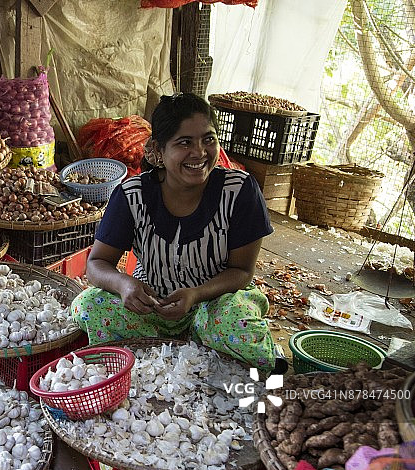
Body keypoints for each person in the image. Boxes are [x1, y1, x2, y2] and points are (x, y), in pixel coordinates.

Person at [71, 93, 280, 371]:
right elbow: (96, 264)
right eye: (184, 142)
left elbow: (242, 272)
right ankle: (171, 354)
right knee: (89, 305)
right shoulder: (133, 195)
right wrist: (124, 285)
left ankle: (245, 357)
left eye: (208, 139)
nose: (200, 152)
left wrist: (195, 294)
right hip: (153, 306)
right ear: (158, 150)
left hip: (216, 301)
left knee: (233, 325)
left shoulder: (239, 190)